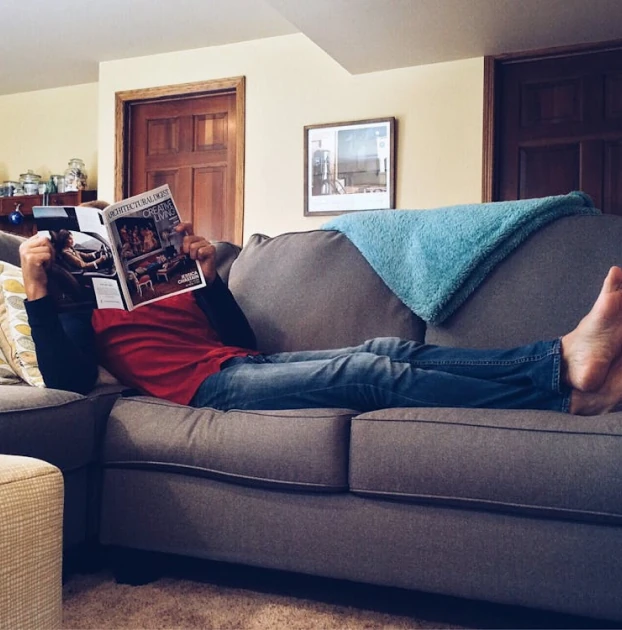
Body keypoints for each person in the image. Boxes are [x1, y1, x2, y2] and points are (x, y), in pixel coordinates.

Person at [18, 212, 622, 417]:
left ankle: (564, 369)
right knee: (370, 376)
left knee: (390, 351)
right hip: (208, 390)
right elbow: (67, 383)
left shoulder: (170, 284)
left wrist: (204, 274)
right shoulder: (79, 311)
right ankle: (561, 384)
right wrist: (37, 288)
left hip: (239, 362)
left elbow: (237, 336)